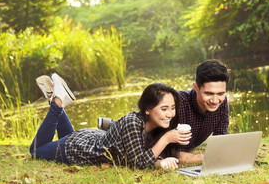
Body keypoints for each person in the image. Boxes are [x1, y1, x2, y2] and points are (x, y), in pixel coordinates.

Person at [30, 73, 192, 170]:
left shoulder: (156, 125)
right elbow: (138, 163)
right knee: (36, 151)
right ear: (147, 109)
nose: (170, 114)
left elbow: (140, 155)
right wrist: (166, 139)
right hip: (78, 149)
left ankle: (56, 99)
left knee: (61, 139)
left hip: (88, 138)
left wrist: (161, 162)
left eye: (172, 108)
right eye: (164, 109)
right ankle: (58, 102)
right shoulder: (133, 123)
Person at [98, 59, 229, 164]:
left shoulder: (221, 103)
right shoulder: (176, 105)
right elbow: (166, 150)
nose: (215, 100)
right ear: (196, 87)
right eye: (209, 93)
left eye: (220, 93)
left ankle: (112, 124)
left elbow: (221, 137)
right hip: (143, 136)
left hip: (150, 135)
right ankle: (114, 125)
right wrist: (203, 158)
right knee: (131, 129)